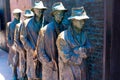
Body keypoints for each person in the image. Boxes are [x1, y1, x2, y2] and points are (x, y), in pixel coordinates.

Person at [56, 7, 92, 80]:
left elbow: (89, 48)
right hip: (69, 74)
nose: (83, 22)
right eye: (80, 20)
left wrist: (80, 51)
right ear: (73, 21)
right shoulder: (63, 37)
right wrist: (80, 51)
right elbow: (66, 57)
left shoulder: (84, 34)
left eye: (84, 20)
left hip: (83, 73)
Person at [36, 2, 67, 80]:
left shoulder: (65, 29)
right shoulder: (44, 30)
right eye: (59, 13)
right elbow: (40, 51)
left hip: (62, 66)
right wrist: (48, 62)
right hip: (50, 67)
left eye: (62, 13)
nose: (62, 15)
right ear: (54, 14)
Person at [20, 1, 47, 80]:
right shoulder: (26, 23)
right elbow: (23, 38)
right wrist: (32, 48)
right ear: (33, 10)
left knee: (42, 74)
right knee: (32, 74)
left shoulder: (46, 23)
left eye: (41, 9)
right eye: (37, 9)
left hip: (43, 53)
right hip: (31, 52)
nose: (39, 11)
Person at [14, 9, 34, 80]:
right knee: (22, 64)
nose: (29, 18)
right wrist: (22, 50)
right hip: (22, 49)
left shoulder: (32, 26)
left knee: (30, 67)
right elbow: (16, 40)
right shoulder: (19, 26)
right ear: (24, 17)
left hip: (30, 50)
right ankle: (21, 76)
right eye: (27, 17)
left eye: (31, 17)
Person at [6, 8, 22, 80]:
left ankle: (22, 74)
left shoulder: (22, 23)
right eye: (16, 14)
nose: (18, 15)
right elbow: (8, 36)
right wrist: (11, 45)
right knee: (14, 61)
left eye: (19, 14)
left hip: (21, 45)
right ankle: (14, 74)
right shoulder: (9, 24)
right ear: (13, 15)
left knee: (22, 60)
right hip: (13, 46)